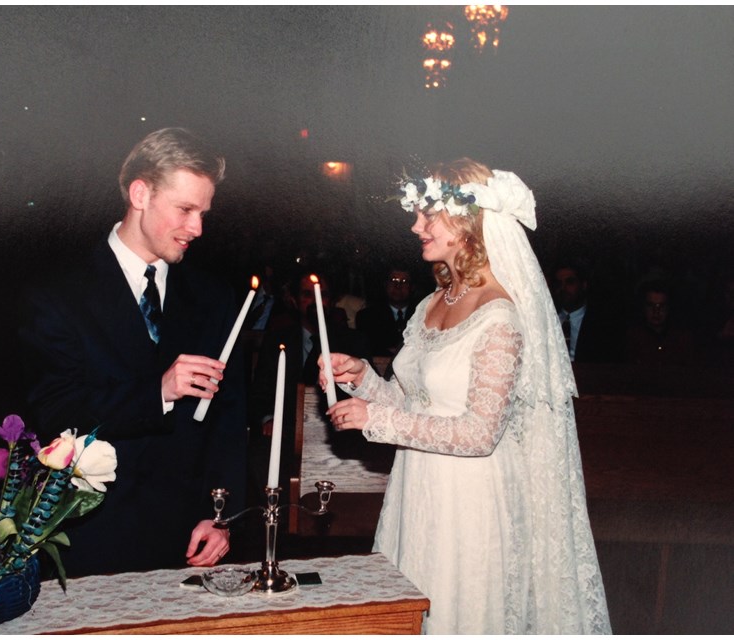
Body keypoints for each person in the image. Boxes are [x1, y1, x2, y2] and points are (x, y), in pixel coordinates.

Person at [320, 159, 611, 634]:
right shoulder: (433, 301)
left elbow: (479, 433)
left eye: (427, 214)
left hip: (468, 501)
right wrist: (363, 379)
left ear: (467, 221)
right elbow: (413, 400)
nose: (416, 226)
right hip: (419, 489)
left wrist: (378, 418)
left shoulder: (500, 316)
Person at [18, 128, 247, 576]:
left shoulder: (214, 298)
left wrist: (222, 516)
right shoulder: (58, 295)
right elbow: (54, 413)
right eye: (185, 209)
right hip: (91, 540)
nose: (197, 228)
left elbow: (229, 423)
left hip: (188, 541)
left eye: (203, 213)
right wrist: (157, 391)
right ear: (140, 193)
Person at [246, 271, 372, 496]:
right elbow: (259, 393)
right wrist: (268, 418)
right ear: (294, 300)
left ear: (331, 301)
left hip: (336, 432)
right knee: (259, 455)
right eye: (307, 294)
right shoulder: (277, 340)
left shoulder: (353, 341)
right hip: (286, 432)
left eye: (322, 295)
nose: (315, 300)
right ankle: (279, 519)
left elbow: (368, 392)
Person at [551, 261, 625, 363]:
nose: (563, 288)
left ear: (583, 285)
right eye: (558, 283)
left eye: (570, 282)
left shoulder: (604, 322)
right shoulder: (547, 319)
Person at [625, 279, 695, 366]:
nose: (656, 311)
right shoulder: (632, 337)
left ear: (668, 308)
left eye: (661, 306)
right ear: (644, 308)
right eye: (651, 306)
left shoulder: (682, 338)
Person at [356, 266, 417, 358]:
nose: (398, 286)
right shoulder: (367, 316)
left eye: (404, 281)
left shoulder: (421, 315)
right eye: (393, 280)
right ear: (385, 284)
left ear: (412, 287)